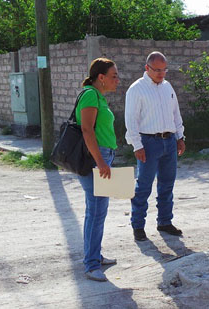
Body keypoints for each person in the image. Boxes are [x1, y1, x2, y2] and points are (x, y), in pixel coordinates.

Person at [125, 51, 186, 242]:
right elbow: (131, 120)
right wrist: (137, 145)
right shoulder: (136, 89)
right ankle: (138, 225)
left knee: (167, 184)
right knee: (143, 186)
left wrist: (180, 136)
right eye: (157, 70)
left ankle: (165, 222)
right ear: (147, 68)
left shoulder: (167, 87)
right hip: (148, 143)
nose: (161, 74)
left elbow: (175, 114)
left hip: (169, 141)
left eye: (164, 70)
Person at [76, 58, 120, 282]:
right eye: (114, 76)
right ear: (100, 78)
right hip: (96, 159)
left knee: (96, 211)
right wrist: (101, 162)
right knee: (96, 212)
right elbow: (86, 130)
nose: (117, 80)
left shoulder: (97, 96)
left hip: (102, 157)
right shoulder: (91, 95)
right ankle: (92, 264)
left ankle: (95, 256)